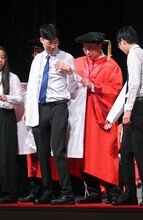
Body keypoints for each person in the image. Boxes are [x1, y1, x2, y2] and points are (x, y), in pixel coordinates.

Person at [23, 23, 78, 205]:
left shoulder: (67, 57)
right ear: (42, 40)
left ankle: (67, 193)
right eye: (49, 43)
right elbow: (32, 87)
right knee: (42, 152)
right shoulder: (37, 60)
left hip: (59, 107)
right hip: (40, 108)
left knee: (59, 149)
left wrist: (69, 71)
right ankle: (47, 192)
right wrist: (27, 110)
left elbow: (73, 90)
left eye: (55, 42)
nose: (53, 46)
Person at [74, 31, 123, 204]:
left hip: (103, 117)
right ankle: (93, 192)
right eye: (85, 49)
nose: (87, 53)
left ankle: (113, 191)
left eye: (91, 49)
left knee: (106, 155)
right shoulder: (78, 63)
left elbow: (116, 90)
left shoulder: (111, 65)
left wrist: (94, 86)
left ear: (100, 47)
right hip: (83, 118)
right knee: (86, 154)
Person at [111, 26, 143, 206]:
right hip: (139, 105)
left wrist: (128, 110)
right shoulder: (141, 53)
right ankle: (129, 193)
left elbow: (135, 84)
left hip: (139, 106)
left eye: (119, 45)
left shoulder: (135, 54)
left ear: (122, 42)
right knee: (126, 152)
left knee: (139, 152)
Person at [18, 38, 44, 203]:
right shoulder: (34, 68)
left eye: (38, 51)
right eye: (34, 52)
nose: (35, 54)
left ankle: (50, 189)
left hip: (48, 113)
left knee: (46, 153)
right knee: (32, 153)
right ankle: (35, 189)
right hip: (33, 114)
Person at [0, 45, 23, 203]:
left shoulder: (12, 77)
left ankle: (8, 192)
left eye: (2, 57)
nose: (0, 60)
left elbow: (19, 99)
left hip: (5, 117)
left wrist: (6, 98)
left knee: (6, 155)